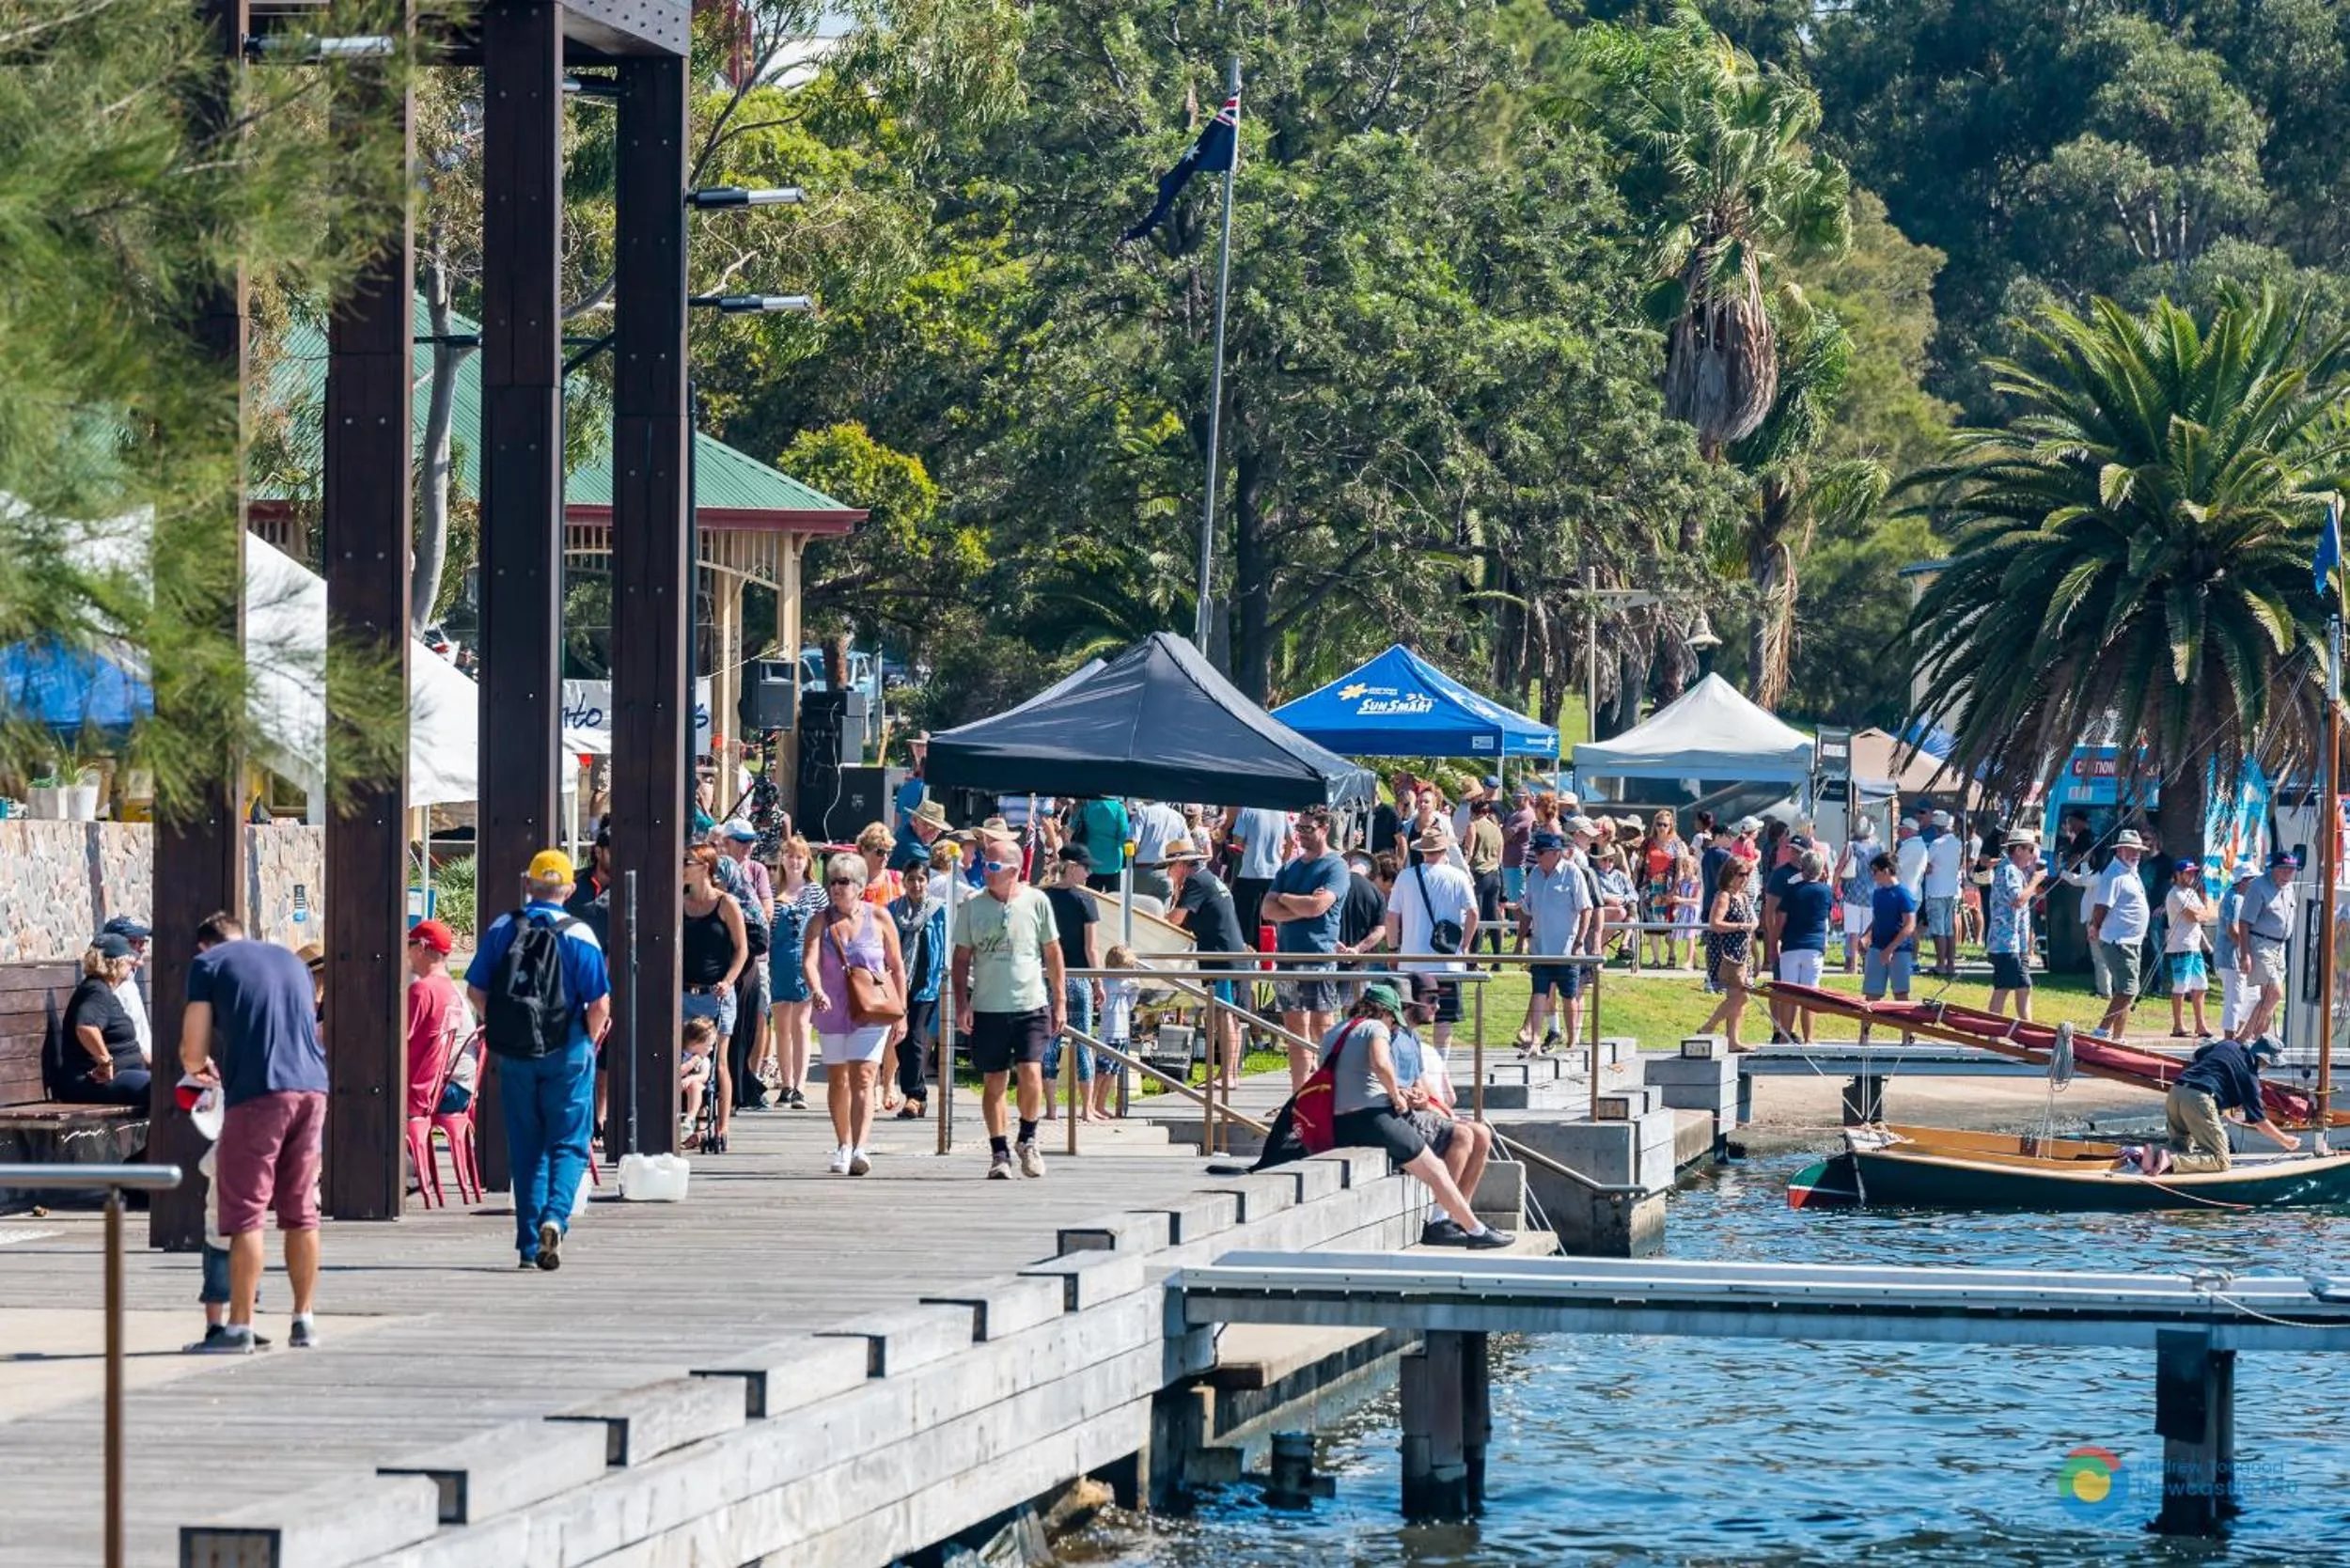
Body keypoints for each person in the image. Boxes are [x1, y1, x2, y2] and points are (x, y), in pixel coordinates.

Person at [180, 912, 331, 1351]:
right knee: (302, 1209)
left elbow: (193, 1048)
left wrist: (197, 1068)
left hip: (260, 1091)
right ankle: (304, 1320)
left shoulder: (208, 965)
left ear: (206, 945)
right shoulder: (290, 962)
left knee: (246, 1210)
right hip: (312, 1087)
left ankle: (240, 1326)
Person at [467, 853, 612, 1270]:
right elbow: (599, 1002)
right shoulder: (580, 933)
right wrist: (586, 1037)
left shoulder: (502, 927)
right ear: (568, 890)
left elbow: (476, 990)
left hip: (515, 1054)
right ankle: (555, 1217)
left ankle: (530, 1246)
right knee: (568, 1143)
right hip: (567, 1049)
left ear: (528, 885)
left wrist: (504, 1025)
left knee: (527, 1148)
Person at [1322, 983, 1512, 1249]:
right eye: (1392, 1020)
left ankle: (1464, 1224)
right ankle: (1465, 1228)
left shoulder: (1337, 1030)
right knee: (1437, 1166)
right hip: (1372, 1119)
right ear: (1385, 1012)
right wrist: (1396, 1095)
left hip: (1338, 1122)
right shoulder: (1376, 1026)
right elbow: (1380, 1062)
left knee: (1442, 1160)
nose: (1393, 1027)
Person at [951, 831, 1066, 1179]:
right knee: (994, 1080)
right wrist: (962, 1004)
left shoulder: (1037, 901)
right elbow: (960, 958)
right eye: (985, 863)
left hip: (1030, 1002)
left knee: (1031, 1070)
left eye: (994, 865)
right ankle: (999, 1151)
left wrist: (1060, 1000)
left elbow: (1053, 952)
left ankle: (1028, 1139)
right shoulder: (973, 905)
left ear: (1014, 870)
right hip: (988, 1005)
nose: (986, 869)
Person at [806, 852, 907, 1174]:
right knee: (838, 1079)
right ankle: (843, 1144)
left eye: (844, 882)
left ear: (860, 886)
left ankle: (861, 1148)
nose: (837, 888)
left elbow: (896, 966)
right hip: (833, 1007)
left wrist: (901, 1010)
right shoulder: (820, 920)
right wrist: (817, 989)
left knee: (864, 1076)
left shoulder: (880, 918)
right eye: (833, 881)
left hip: (872, 1009)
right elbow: (808, 960)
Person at [1264, 806, 1350, 1089]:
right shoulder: (1290, 866)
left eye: (1307, 829)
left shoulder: (1336, 866)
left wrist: (1286, 899)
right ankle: (1299, 1093)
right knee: (1295, 1031)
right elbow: (1268, 909)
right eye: (1298, 828)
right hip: (1287, 956)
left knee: (1321, 1028)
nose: (1300, 835)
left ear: (1324, 829)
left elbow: (1320, 906)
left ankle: (1328, 1092)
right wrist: (1300, 902)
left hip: (1318, 958)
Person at [1384, 825, 1478, 1056]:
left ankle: (1407, 1061)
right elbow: (1473, 913)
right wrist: (1464, 945)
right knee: (1443, 1019)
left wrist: (1393, 949)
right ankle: (1439, 1066)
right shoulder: (1458, 876)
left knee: (1407, 1015)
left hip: (1411, 960)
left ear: (1422, 851)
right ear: (1445, 849)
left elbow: (1392, 916)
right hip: (1447, 963)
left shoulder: (1405, 877)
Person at [679, 845, 747, 1149]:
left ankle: (721, 1127)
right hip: (684, 991)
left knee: (719, 1060)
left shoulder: (725, 904)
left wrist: (728, 981)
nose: (682, 867)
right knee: (681, 1058)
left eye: (687, 862)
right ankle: (689, 1119)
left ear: (705, 867)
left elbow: (742, 948)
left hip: (715, 993)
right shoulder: (679, 902)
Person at [2150, 1036, 2297, 1173]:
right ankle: (2171, 1160)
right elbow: (2259, 1121)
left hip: (2177, 1090)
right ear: (2264, 1061)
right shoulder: (2250, 1078)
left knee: (2179, 1145)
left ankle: (2153, 1153)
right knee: (2221, 1160)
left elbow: (2199, 1054)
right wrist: (2285, 1140)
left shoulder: (2229, 1044)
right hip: (2200, 1099)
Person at [1165, 839, 1246, 1088]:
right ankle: (1230, 1073)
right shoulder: (1207, 878)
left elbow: (1175, 919)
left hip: (1222, 957)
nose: (1168, 873)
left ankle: (1228, 1076)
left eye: (1169, 867)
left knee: (1224, 1014)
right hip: (1228, 954)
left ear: (1180, 864)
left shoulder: (1196, 882)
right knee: (1227, 1014)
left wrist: (1164, 909)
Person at [1041, 847, 1103, 1120]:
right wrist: (1098, 983)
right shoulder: (1086, 901)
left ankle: (1052, 1109)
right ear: (1072, 866)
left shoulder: (1042, 896)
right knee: (1083, 1044)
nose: (1089, 873)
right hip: (1077, 977)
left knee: (1049, 1043)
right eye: (1086, 868)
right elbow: (1092, 949)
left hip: (1048, 977)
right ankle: (1086, 1109)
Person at [716, 822, 774, 1112]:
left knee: (741, 1030)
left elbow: (760, 930)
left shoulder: (742, 889)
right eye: (741, 840)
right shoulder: (723, 869)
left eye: (750, 841)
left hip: (744, 967)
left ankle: (739, 1088)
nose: (748, 846)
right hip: (721, 971)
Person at [1517, 831, 1589, 1054]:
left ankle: (1572, 1041)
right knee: (1539, 992)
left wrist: (1580, 941)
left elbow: (1586, 909)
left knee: (1569, 995)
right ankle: (1535, 1040)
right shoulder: (1535, 875)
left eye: (1541, 853)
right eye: (1535, 852)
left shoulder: (1572, 872)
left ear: (1556, 853)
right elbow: (1526, 911)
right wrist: (1520, 941)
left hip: (1566, 949)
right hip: (1540, 948)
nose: (1537, 857)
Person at [767, 836, 824, 1110]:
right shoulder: (771, 889)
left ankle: (800, 1086)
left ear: (807, 861)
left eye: (800, 856)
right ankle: (786, 1083)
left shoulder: (815, 891)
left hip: (805, 963)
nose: (794, 861)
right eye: (790, 855)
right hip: (778, 963)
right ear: (782, 859)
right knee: (781, 1027)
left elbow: (825, 928)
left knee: (801, 1025)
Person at [888, 855, 948, 1120]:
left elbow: (947, 944)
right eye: (911, 879)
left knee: (914, 1034)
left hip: (927, 985)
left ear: (928, 881)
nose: (916, 885)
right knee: (899, 1039)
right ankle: (918, 1093)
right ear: (904, 882)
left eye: (921, 879)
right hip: (897, 984)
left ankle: (914, 1095)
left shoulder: (939, 910)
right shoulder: (892, 911)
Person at [56, 934, 148, 1106]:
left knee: (172, 1085)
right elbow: (86, 1027)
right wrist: (105, 1062)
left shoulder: (101, 989)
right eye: (129, 961)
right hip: (90, 1083)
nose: (133, 966)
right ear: (114, 963)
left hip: (120, 1075)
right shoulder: (97, 991)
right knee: (164, 1091)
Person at [401, 919, 466, 1123]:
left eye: (408, 946)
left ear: (420, 947)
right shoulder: (450, 990)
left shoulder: (422, 990)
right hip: (448, 1089)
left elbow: (396, 1041)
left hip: (422, 1094)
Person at [2089, 828, 2151, 1040]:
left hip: (2131, 940)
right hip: (2119, 941)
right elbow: (2101, 905)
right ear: (2120, 850)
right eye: (2131, 849)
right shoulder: (2114, 874)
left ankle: (2118, 1038)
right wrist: (2095, 927)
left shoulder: (2130, 871)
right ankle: (2101, 1032)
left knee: (2125, 992)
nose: (2136, 854)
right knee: (2128, 990)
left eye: (2139, 850)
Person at [2232, 849, 2300, 1043]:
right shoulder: (2258, 887)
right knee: (2275, 993)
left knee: (2269, 1002)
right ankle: (2242, 1039)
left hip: (2280, 947)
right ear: (2273, 869)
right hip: (2261, 943)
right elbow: (2244, 922)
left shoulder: (2289, 887)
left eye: (2292, 869)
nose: (2288, 873)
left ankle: (2258, 1042)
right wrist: (2245, 954)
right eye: (2284, 869)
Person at [1770, 850, 1834, 1044]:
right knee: (1810, 995)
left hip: (1791, 945)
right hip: (1814, 946)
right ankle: (1809, 1038)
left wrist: (1774, 943)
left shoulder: (1792, 891)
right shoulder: (1826, 892)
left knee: (1789, 995)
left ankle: (1784, 1035)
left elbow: (1780, 920)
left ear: (1802, 868)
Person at [1696, 858, 1759, 1052]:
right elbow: (1715, 924)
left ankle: (1733, 1040)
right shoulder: (1723, 896)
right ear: (1730, 875)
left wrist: (1757, 954)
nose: (1744, 879)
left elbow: (1752, 927)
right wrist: (1740, 926)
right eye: (1740, 874)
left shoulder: (1745, 898)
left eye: (1747, 875)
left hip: (1743, 953)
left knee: (1738, 999)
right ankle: (1708, 1026)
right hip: (1726, 954)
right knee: (1742, 996)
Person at [1984, 832, 2044, 1020]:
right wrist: (2035, 881)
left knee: (2024, 986)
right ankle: (1992, 1035)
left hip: (2018, 943)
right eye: (2030, 849)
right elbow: (2017, 900)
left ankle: (2027, 1031)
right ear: (2018, 849)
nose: (2033, 854)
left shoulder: (2015, 871)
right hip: (2005, 942)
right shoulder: (2009, 870)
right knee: (2003, 987)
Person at [2164, 858, 2217, 1039]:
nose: (2192, 876)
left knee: (2201, 986)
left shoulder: (2191, 893)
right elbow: (2196, 916)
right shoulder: (2175, 894)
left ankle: (2200, 1025)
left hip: (2194, 947)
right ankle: (2178, 1025)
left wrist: (2204, 913)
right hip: (2180, 946)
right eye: (2188, 872)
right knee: (2180, 986)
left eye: (2193, 872)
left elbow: (2206, 915)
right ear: (2178, 874)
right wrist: (2205, 912)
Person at [1227, 805, 1292, 946]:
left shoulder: (1247, 810)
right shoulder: (1281, 812)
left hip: (1249, 873)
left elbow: (1237, 842)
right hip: (1274, 873)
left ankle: (1250, 959)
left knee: (1246, 926)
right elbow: (1290, 841)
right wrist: (1283, 861)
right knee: (1272, 922)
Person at [1094, 944, 1140, 1120]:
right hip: (1109, 1033)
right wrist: (1132, 984)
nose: (1128, 972)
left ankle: (1100, 1105)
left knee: (1112, 1072)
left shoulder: (1125, 984)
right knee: (1102, 1072)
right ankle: (1091, 1105)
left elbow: (1130, 1005)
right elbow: (1116, 989)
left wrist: (1134, 991)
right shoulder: (1108, 982)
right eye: (1126, 968)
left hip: (1122, 1032)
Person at [2215, 858, 2259, 1040]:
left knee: (2252, 996)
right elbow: (2233, 930)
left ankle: (2237, 1034)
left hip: (2230, 956)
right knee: (2235, 999)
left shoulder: (2236, 896)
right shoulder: (2237, 898)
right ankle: (2229, 1038)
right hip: (2231, 957)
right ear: (2244, 880)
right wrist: (2245, 952)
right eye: (2253, 879)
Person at [101, 914, 153, 1063]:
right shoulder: (114, 987)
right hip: (133, 1066)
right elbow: (125, 1040)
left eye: (143, 941)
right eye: (134, 942)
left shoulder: (129, 981)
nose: (142, 948)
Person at [1919, 808, 1965, 977]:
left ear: (1937, 827)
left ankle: (1940, 964)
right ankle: (1951, 964)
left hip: (1936, 890)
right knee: (1949, 929)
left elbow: (1926, 865)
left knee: (1938, 930)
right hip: (1951, 890)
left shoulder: (1936, 844)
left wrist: (1930, 868)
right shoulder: (1957, 843)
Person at [1637, 811, 1682, 968]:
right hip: (1650, 887)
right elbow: (1640, 866)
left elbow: (1679, 868)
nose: (1662, 827)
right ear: (1654, 825)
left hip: (1668, 887)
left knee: (1669, 923)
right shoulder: (1648, 843)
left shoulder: (1676, 843)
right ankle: (1656, 960)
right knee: (1652, 923)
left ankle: (1671, 953)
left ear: (1671, 826)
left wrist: (1675, 889)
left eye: (1665, 824)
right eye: (1659, 824)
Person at [1464, 798, 1506, 960]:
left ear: (1472, 812)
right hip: (1494, 875)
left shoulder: (1473, 826)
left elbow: (1469, 851)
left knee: (1477, 916)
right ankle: (1498, 958)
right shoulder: (1496, 829)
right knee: (1493, 916)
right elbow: (1500, 857)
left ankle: (1474, 955)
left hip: (1479, 874)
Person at [1834, 818, 1878, 973]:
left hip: (1852, 892)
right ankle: (1867, 964)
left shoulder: (1851, 846)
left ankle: (1852, 965)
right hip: (1872, 893)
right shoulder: (1878, 847)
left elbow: (1840, 867)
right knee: (1868, 931)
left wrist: (1834, 886)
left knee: (1853, 931)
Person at [1129, 798, 1187, 903]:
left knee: (1138, 913)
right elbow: (1186, 849)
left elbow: (1133, 843)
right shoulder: (1178, 817)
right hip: (1168, 871)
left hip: (1143, 871)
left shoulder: (1143, 812)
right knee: (1160, 916)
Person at [890, 795, 954, 875]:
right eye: (927, 825)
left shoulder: (909, 832)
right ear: (913, 821)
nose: (932, 832)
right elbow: (935, 876)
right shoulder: (911, 847)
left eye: (937, 829)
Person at [678, 1016, 718, 1137]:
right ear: (696, 1043)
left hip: (697, 1094)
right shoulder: (679, 1055)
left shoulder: (703, 1060)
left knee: (695, 1085)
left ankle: (689, 1119)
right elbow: (677, 1072)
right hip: (677, 1088)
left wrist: (690, 1079)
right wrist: (691, 1063)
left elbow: (704, 1076)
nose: (711, 1049)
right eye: (709, 1045)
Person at [854, 822, 903, 907]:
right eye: (880, 852)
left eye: (888, 853)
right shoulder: (851, 881)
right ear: (863, 850)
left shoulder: (897, 879)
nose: (885, 857)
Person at [1668, 850, 1702, 970]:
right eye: (1683, 866)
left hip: (1692, 911)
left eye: (1688, 866)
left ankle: (1689, 961)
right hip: (1683, 910)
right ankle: (1695, 959)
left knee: (1690, 936)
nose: (1685, 868)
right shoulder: (1681, 882)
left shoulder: (1697, 883)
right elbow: (1676, 895)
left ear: (1694, 868)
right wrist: (1676, 905)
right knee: (1680, 935)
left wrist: (1681, 900)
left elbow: (1696, 900)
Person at [1894, 817, 1928, 906]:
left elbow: (1894, 867)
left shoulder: (1909, 847)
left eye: (1901, 829)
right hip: (1913, 895)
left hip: (1906, 896)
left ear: (1908, 830)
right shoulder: (1919, 845)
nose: (1898, 832)